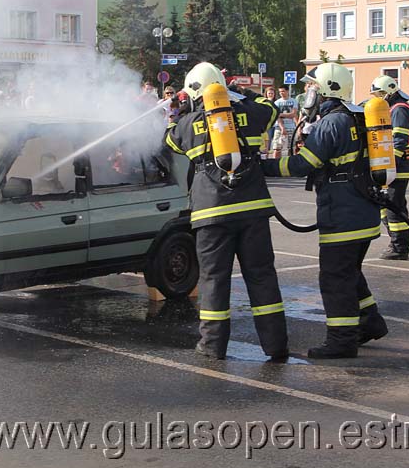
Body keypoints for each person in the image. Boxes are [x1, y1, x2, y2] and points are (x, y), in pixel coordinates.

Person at [262, 63, 387, 359]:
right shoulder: (356, 116)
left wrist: (262, 166)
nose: (309, 93)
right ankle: (369, 321)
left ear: (328, 89)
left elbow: (302, 164)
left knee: (334, 278)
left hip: (342, 213)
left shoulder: (331, 123)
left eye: (313, 87)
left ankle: (342, 340)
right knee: (349, 272)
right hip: (362, 212)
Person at [164, 62, 288, 362]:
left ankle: (212, 345)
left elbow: (169, 140)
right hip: (253, 209)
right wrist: (236, 91)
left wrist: (180, 110)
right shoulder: (252, 113)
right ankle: (276, 346)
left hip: (211, 213)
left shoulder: (188, 124)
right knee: (262, 277)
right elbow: (269, 107)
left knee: (214, 280)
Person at [369, 75, 409, 261]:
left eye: (379, 94)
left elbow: (399, 140)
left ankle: (399, 247)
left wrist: (390, 163)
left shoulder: (399, 110)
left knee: (393, 206)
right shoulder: (395, 108)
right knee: (385, 204)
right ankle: (396, 242)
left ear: (388, 92)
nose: (377, 98)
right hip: (395, 164)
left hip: (400, 164)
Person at [272, 87, 298, 158]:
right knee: (277, 147)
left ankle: (291, 164)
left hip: (291, 127)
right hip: (279, 128)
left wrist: (281, 114)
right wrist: (282, 128)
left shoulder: (294, 101)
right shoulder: (277, 102)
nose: (281, 93)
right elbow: (277, 117)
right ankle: (276, 164)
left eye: (283, 91)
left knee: (291, 148)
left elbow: (293, 114)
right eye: (280, 92)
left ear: (287, 91)